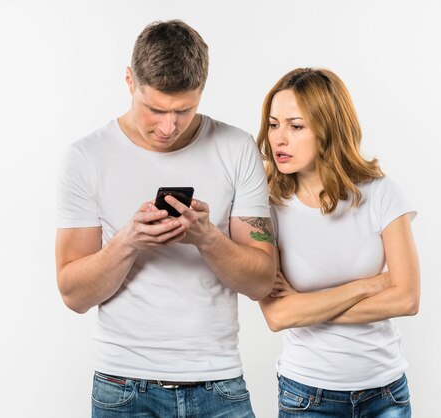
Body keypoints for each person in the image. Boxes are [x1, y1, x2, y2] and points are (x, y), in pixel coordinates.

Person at [55, 19, 275, 418]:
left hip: (219, 384)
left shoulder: (237, 147)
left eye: (184, 110)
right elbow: (73, 294)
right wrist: (128, 242)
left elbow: (262, 282)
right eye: (155, 109)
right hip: (123, 387)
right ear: (129, 81)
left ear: (202, 92)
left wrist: (208, 238)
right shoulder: (86, 157)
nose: (168, 127)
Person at [256, 68, 420, 418]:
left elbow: (406, 298)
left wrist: (307, 307)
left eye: (295, 126)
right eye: (273, 125)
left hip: (386, 392)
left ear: (329, 129)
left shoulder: (381, 194)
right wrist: (369, 285)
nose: (279, 139)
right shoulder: (267, 207)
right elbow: (277, 314)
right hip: (307, 396)